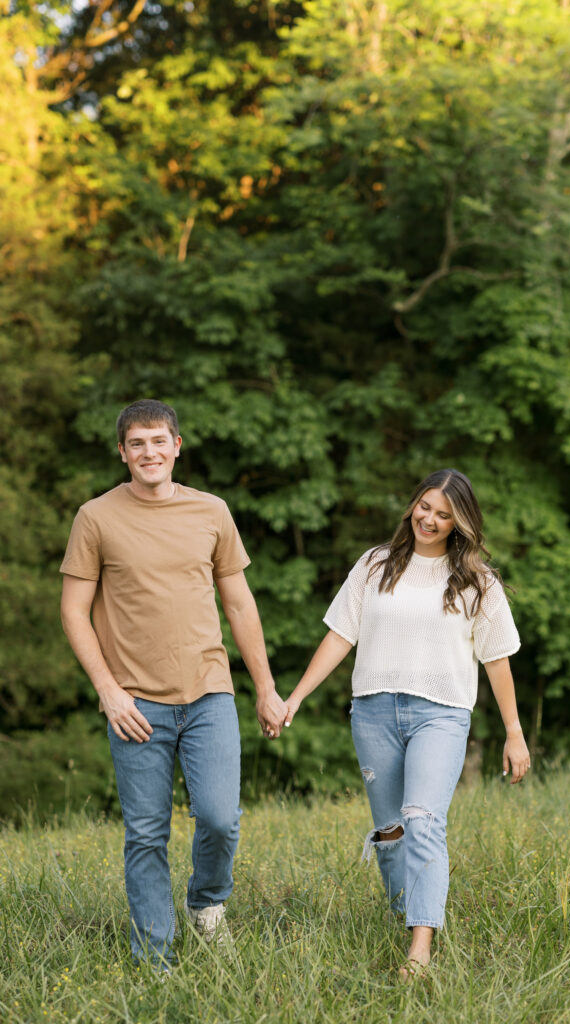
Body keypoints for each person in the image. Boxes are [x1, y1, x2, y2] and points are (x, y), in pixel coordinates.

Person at [60, 399, 287, 970]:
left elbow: (240, 603)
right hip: (134, 703)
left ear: (177, 446)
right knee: (145, 834)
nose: (149, 452)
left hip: (209, 693)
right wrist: (109, 692)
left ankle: (206, 904)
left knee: (219, 818)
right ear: (122, 452)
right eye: (136, 443)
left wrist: (265, 688)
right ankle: (154, 960)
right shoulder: (96, 517)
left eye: (158, 441)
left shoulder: (212, 511)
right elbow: (73, 610)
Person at [284, 468, 530, 980]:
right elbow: (339, 635)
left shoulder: (478, 582)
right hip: (373, 712)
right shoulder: (375, 565)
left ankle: (420, 949)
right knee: (391, 832)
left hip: (441, 714)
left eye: (444, 515)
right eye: (425, 507)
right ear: (412, 505)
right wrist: (297, 697)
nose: (430, 520)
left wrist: (514, 733)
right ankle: (406, 915)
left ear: (460, 523)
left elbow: (497, 659)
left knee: (422, 820)